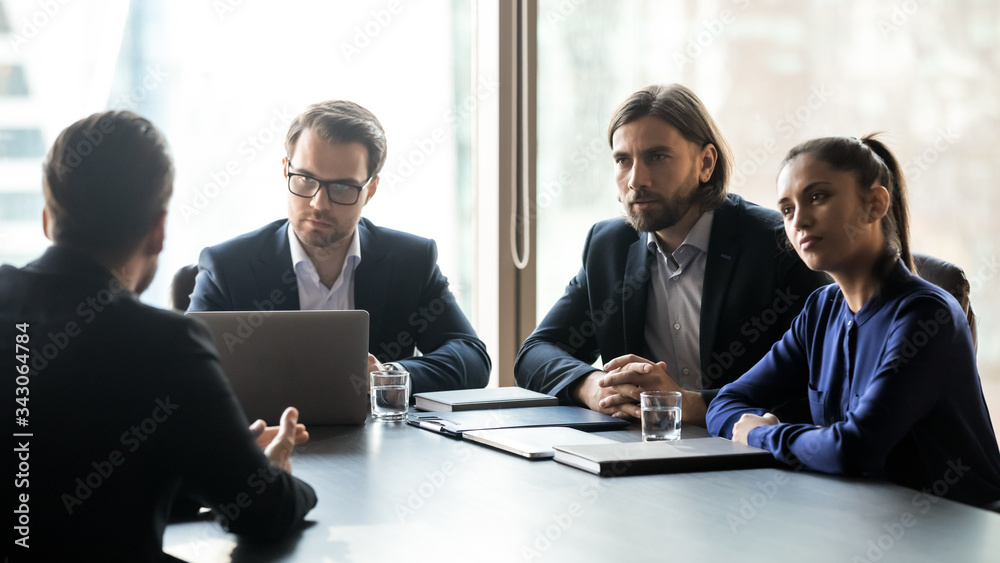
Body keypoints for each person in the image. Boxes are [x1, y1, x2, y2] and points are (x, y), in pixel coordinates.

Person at [1, 111, 317, 561]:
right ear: (158, 231)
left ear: (49, 220)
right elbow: (261, 512)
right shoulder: (164, 344)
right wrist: (273, 473)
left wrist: (211, 450)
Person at [706, 135, 1000, 507]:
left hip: (961, 529)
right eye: (787, 209)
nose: (800, 221)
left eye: (818, 197)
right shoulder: (821, 310)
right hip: (856, 516)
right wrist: (785, 434)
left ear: (875, 203)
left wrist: (762, 435)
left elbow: (854, 448)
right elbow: (727, 401)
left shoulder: (928, 316)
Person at [515, 84, 829, 424]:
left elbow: (821, 379)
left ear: (706, 163)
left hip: (750, 454)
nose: (636, 179)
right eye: (623, 160)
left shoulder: (778, 245)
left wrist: (690, 404)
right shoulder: (609, 247)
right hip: (640, 453)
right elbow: (535, 354)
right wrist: (593, 386)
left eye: (657, 157)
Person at [188, 100, 490, 393]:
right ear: (285, 170)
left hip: (380, 442)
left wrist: (389, 375)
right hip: (268, 438)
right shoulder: (228, 266)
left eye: (342, 187)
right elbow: (187, 370)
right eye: (306, 179)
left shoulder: (410, 262)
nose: (319, 203)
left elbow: (472, 357)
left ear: (370, 190)